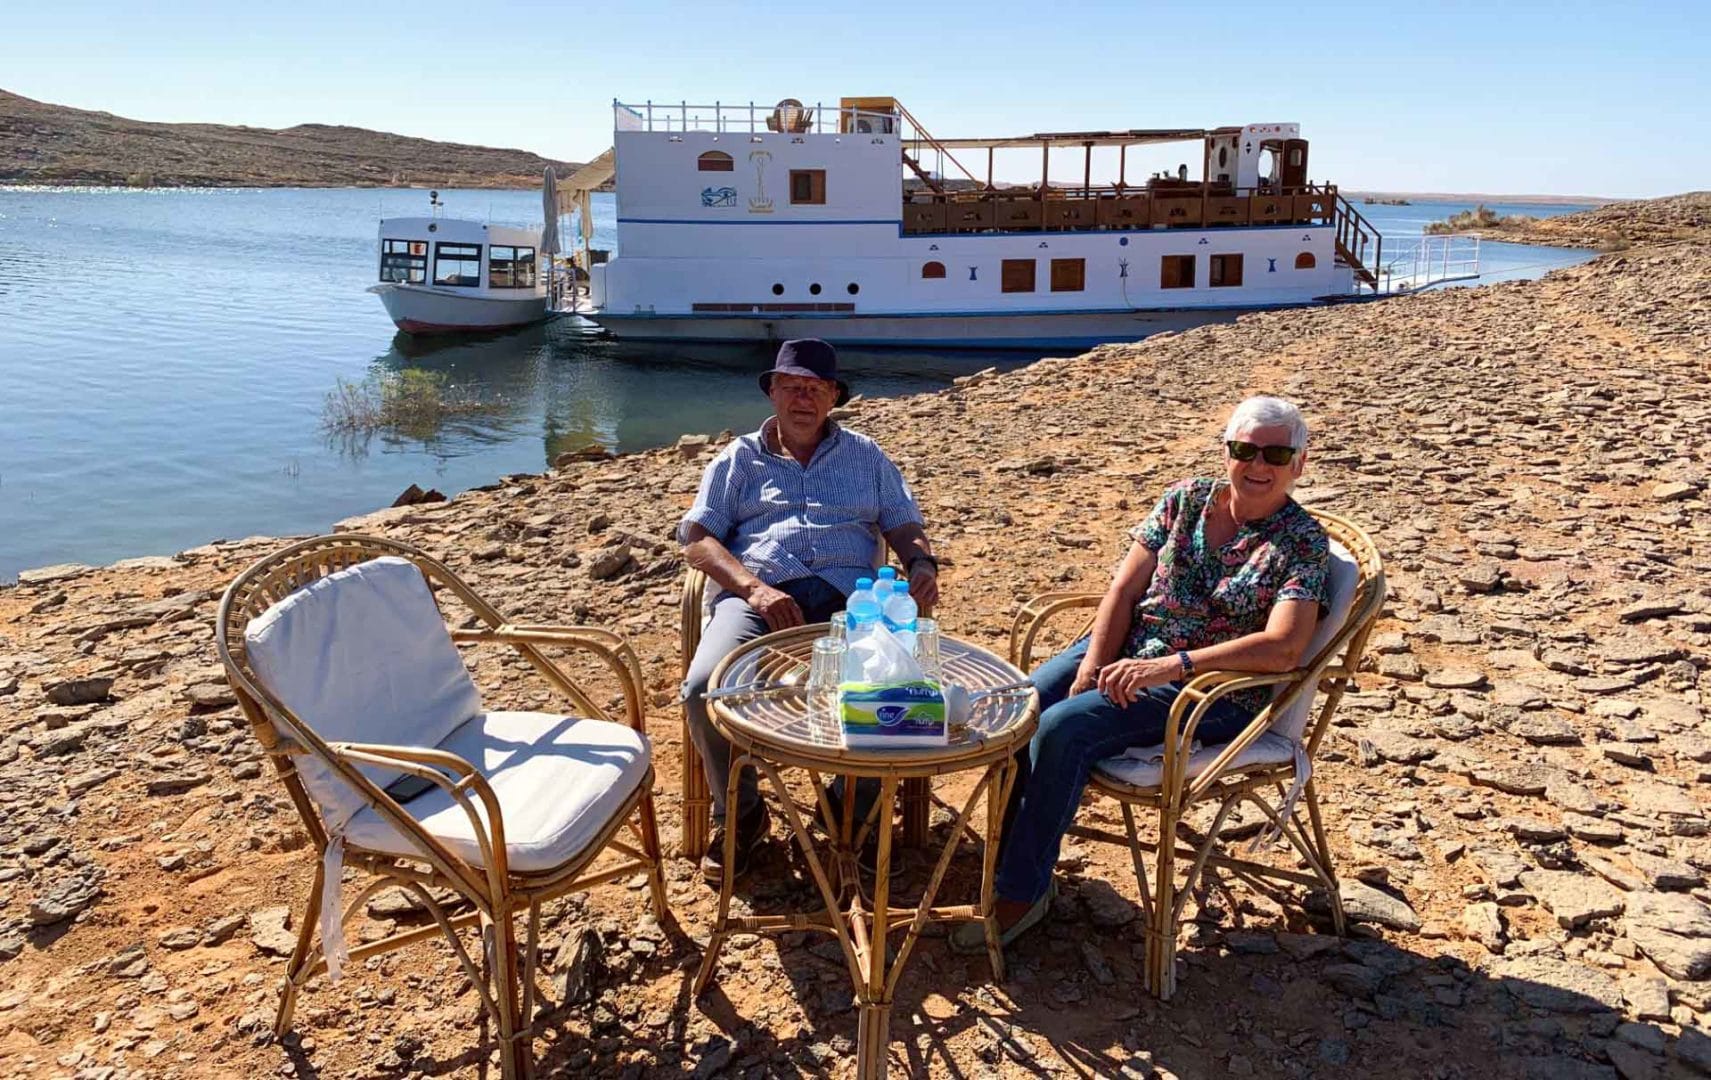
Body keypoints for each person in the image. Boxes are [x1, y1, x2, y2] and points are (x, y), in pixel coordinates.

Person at [951, 396, 1329, 953]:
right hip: (1130, 650)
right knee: (1021, 709)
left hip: (1209, 687)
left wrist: (1169, 666)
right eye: (1245, 449)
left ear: (1299, 462)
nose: (1259, 465)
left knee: (1062, 729)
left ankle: (1021, 893)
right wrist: (1094, 664)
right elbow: (1124, 590)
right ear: (1227, 451)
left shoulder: (1302, 542)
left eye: (1276, 453)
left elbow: (1284, 648)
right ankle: (1012, 856)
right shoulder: (1185, 499)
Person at [680, 339, 940, 885]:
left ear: (834, 397)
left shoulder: (866, 455)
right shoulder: (737, 459)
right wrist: (753, 590)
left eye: (817, 389)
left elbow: (902, 521)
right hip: (761, 596)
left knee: (893, 693)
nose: (804, 398)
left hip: (854, 598)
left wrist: (920, 561)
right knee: (703, 689)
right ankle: (743, 816)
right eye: (793, 386)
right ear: (772, 390)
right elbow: (698, 541)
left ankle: (849, 804)